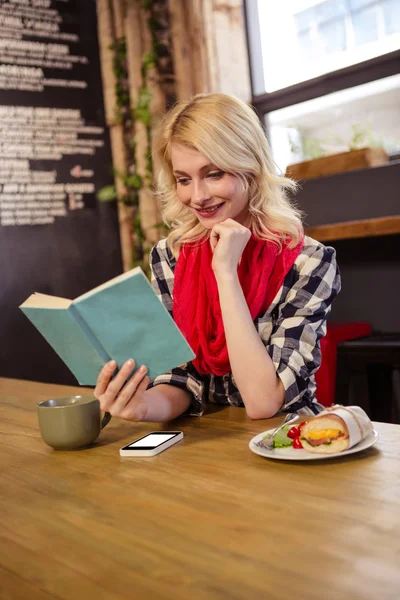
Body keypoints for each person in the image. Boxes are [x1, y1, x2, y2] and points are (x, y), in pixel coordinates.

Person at [94, 93, 341, 422]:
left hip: (286, 437)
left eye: (213, 174)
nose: (196, 197)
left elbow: (264, 402)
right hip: (208, 435)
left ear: (250, 168)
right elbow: (180, 377)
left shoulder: (308, 261)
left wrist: (225, 272)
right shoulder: (171, 255)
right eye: (183, 179)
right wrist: (142, 408)